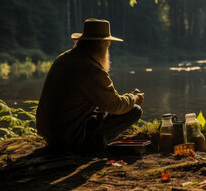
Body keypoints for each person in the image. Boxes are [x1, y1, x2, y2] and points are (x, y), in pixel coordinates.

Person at [36, 18, 144, 153]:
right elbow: (115, 105)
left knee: (102, 111)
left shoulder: (64, 58)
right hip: (69, 139)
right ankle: (92, 145)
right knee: (134, 111)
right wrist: (133, 98)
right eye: (107, 43)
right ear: (103, 43)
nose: (109, 46)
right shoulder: (91, 69)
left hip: (51, 135)